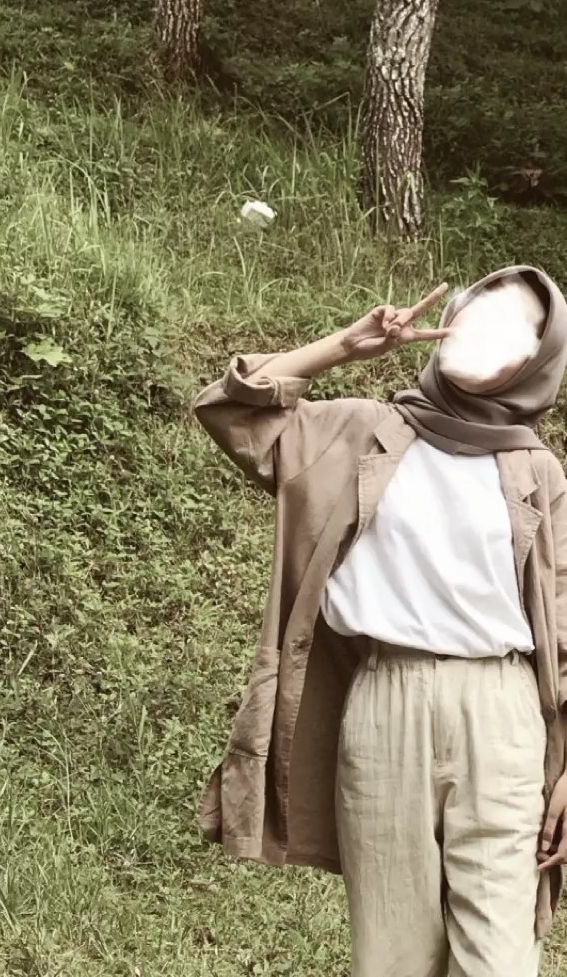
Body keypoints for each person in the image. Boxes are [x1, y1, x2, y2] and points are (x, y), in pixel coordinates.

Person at [192, 265, 567, 977]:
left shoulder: (538, 472)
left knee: (500, 958)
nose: (483, 328)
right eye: (477, 308)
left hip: (503, 711)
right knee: (394, 956)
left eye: (514, 325)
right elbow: (230, 408)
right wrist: (345, 346)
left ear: (537, 360)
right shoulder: (361, 431)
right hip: (384, 700)